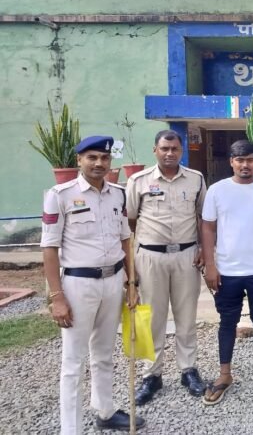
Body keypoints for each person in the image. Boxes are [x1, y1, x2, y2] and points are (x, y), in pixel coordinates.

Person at [40, 135, 145, 434]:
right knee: (73, 361)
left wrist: (132, 283)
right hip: (78, 284)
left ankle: (105, 411)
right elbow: (49, 248)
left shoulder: (118, 194)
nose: (99, 163)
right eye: (92, 157)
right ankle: (70, 429)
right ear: (79, 160)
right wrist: (57, 297)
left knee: (104, 352)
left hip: (113, 281)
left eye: (104, 158)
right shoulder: (60, 195)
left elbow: (125, 239)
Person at [126, 129, 207, 405]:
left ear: (181, 151)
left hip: (186, 256)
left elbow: (202, 216)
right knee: (151, 317)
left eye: (174, 149)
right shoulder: (138, 181)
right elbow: (130, 220)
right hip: (151, 257)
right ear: (155, 150)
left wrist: (203, 249)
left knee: (186, 316)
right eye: (164, 149)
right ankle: (152, 375)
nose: (170, 153)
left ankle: (188, 370)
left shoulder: (195, 179)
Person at [200, 140, 253, 405]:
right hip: (227, 270)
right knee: (227, 322)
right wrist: (210, 265)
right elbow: (208, 229)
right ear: (231, 162)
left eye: (249, 160)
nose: (245, 165)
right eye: (239, 160)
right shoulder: (217, 190)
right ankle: (225, 374)